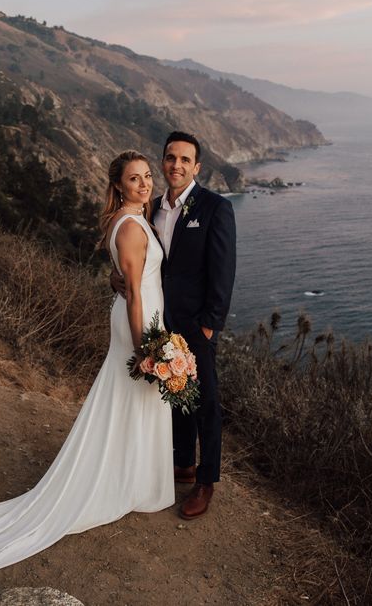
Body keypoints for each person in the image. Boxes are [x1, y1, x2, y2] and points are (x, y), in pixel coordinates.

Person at [0, 150, 173, 593]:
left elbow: (121, 280)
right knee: (134, 395)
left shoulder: (129, 222)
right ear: (119, 186)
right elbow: (133, 295)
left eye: (148, 176)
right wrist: (147, 346)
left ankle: (134, 481)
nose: (145, 184)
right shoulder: (129, 227)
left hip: (143, 317)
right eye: (135, 179)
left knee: (134, 402)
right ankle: (126, 483)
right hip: (138, 323)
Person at [150, 131, 236, 520]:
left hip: (197, 324)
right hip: (162, 321)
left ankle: (206, 480)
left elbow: (223, 271)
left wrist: (209, 326)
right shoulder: (152, 209)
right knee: (175, 395)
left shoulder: (215, 208)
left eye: (185, 160)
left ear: (197, 167)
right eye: (171, 158)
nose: (177, 165)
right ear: (163, 161)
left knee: (206, 404)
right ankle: (182, 463)